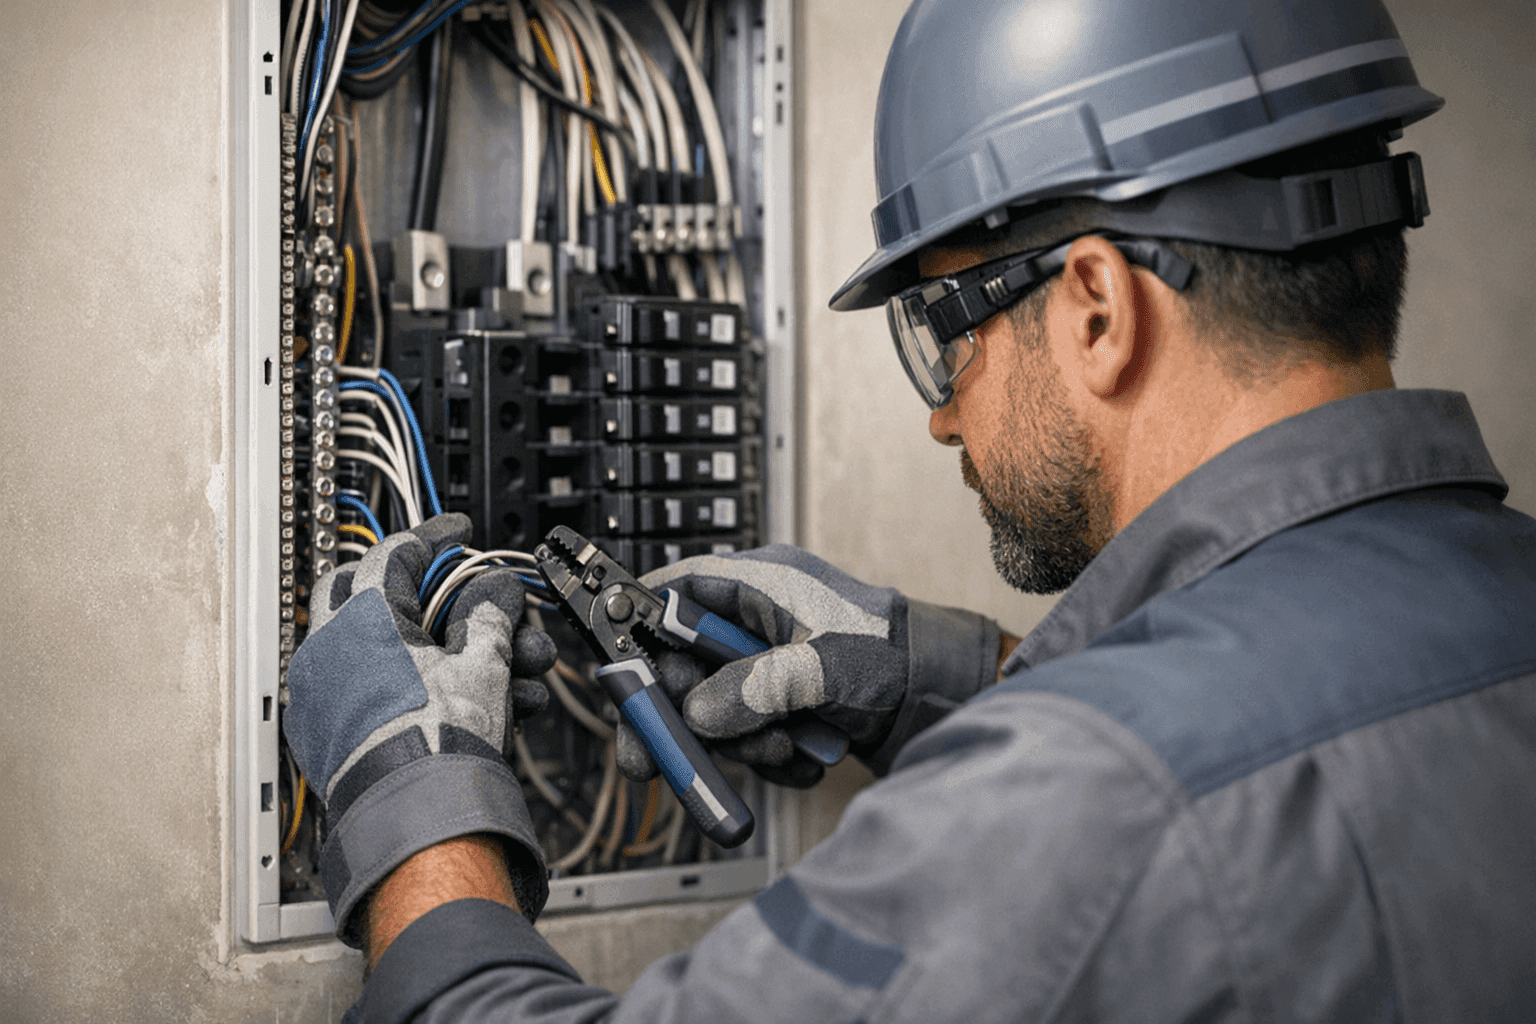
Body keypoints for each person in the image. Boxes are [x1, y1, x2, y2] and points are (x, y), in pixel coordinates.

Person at [284, 0, 1536, 1020]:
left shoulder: (1071, 798)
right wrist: (951, 677)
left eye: (943, 337)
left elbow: (1160, 801)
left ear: (1098, 309)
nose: (942, 416)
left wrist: (415, 805)